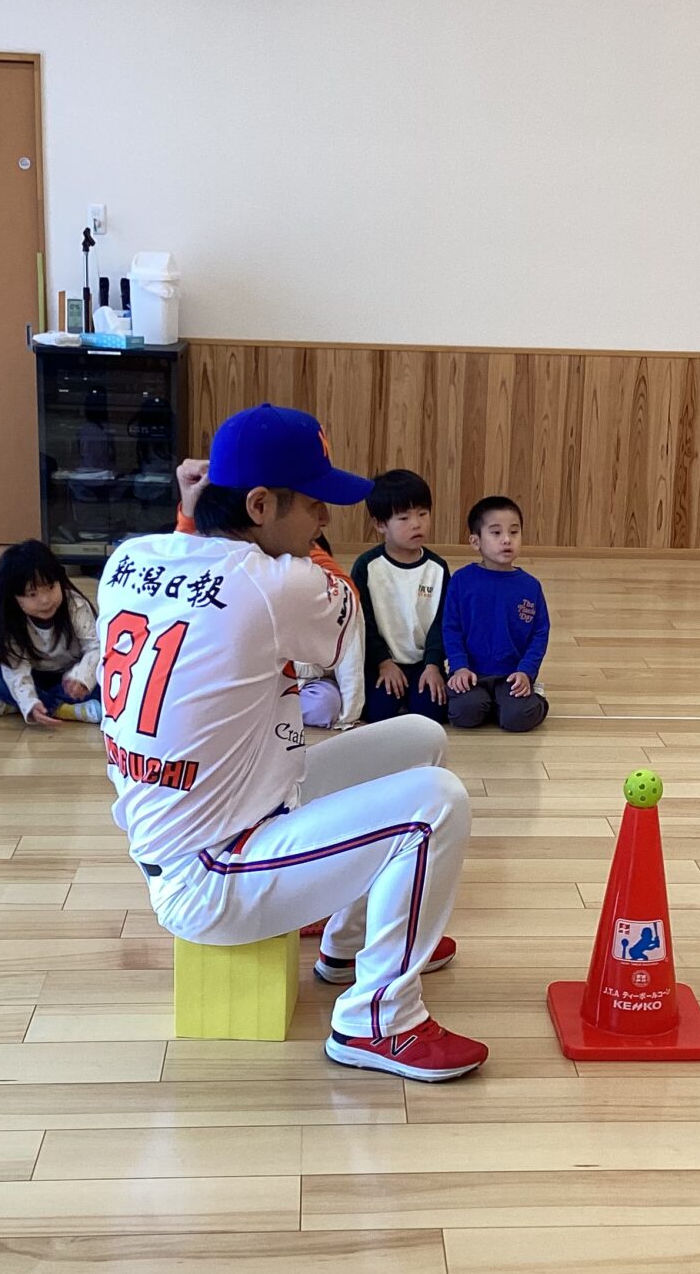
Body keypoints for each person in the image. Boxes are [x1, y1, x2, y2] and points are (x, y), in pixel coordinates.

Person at [99, 403, 485, 1082]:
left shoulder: (130, 558)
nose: (324, 521)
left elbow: (208, 568)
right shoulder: (272, 585)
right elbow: (344, 609)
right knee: (436, 804)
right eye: (312, 504)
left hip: (228, 815)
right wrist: (283, 551)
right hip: (214, 874)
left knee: (420, 739)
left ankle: (349, 942)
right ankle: (379, 1021)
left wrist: (192, 515)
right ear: (258, 504)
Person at [446, 496, 551, 732]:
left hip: (511, 675)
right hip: (471, 674)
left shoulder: (530, 586)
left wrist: (526, 671)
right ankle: (491, 704)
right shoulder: (461, 581)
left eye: (514, 532)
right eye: (496, 533)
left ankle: (529, 699)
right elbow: (451, 628)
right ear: (475, 541)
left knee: (519, 718)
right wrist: (459, 667)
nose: (506, 539)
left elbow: (539, 634)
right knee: (464, 713)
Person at [352, 469, 449, 724]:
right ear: (380, 524)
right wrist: (383, 662)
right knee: (377, 712)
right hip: (382, 661)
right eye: (404, 518)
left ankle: (413, 693)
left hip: (422, 664)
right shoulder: (367, 567)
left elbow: (442, 623)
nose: (416, 524)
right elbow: (362, 622)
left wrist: (433, 665)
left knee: (432, 713)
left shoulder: (437, 568)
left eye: (423, 514)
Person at [0, 539, 103, 725]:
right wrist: (29, 702)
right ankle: (63, 710)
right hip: (34, 675)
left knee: (108, 681)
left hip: (71, 676)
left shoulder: (74, 605)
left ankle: (21, 704)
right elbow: (16, 668)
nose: (45, 600)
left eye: (51, 587)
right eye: (32, 594)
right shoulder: (12, 620)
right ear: (14, 598)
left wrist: (82, 677)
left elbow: (95, 646)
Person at [292, 535, 366, 729]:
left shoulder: (341, 596)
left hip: (312, 684)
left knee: (325, 704)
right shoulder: (268, 584)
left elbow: (351, 664)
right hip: (266, 683)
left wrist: (349, 716)